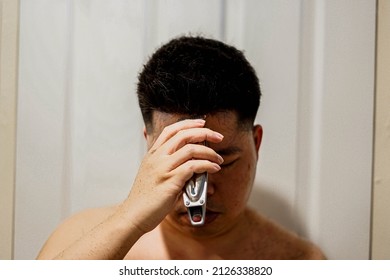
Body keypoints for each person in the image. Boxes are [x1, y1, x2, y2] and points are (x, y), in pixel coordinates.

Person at [37, 36, 325, 260]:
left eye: (221, 163)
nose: (201, 189)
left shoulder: (298, 262)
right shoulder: (78, 242)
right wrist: (130, 219)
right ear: (150, 146)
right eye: (180, 157)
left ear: (256, 143)